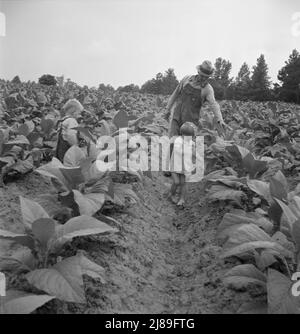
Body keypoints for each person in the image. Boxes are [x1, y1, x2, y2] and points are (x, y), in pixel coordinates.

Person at [168, 122, 196, 209]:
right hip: (175, 166)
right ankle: (172, 195)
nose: (187, 138)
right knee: (176, 182)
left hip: (185, 167)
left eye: (190, 136)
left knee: (183, 183)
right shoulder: (177, 141)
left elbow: (194, 155)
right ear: (181, 134)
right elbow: (178, 151)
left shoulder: (192, 143)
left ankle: (182, 199)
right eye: (185, 136)